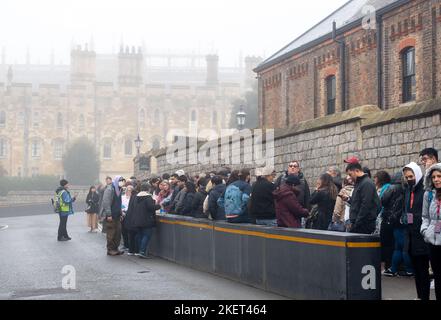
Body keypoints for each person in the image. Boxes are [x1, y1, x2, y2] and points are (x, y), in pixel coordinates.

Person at [396, 162, 430, 300]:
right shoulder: (408, 190)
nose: (409, 179)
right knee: (416, 270)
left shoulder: (424, 190)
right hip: (410, 235)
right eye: (407, 177)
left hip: (421, 235)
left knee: (423, 271)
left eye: (411, 176)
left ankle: (424, 296)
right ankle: (419, 296)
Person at [421, 163, 441, 300]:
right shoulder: (428, 194)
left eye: (439, 176)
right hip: (433, 241)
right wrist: (425, 230)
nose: (436, 179)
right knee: (438, 276)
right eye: (433, 177)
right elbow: (425, 216)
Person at [345, 162, 381, 234]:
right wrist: (348, 199)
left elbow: (365, 205)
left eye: (350, 174)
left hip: (363, 225)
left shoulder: (367, 183)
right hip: (358, 224)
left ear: (357, 171)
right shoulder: (359, 183)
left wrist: (357, 223)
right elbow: (357, 202)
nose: (349, 177)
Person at [131, 182, 161, 259]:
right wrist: (159, 206)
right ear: (148, 189)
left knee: (140, 235)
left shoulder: (136, 197)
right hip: (147, 220)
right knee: (147, 235)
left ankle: (140, 250)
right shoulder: (148, 197)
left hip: (138, 220)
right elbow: (151, 207)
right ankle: (142, 251)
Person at [373, 171, 395, 271]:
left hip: (383, 218)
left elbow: (381, 202)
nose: (374, 179)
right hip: (381, 217)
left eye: (376, 177)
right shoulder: (383, 187)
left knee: (384, 243)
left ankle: (385, 265)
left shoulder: (385, 188)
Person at [102, 176, 125, 256]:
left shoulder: (119, 189)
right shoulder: (110, 189)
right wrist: (108, 214)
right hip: (111, 215)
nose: (122, 182)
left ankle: (116, 248)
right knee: (111, 233)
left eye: (123, 181)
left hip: (117, 215)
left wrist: (120, 211)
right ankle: (110, 249)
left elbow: (119, 202)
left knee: (118, 233)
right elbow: (106, 202)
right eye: (120, 181)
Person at [121, 185, 134, 251]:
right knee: (123, 231)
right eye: (127, 190)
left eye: (130, 190)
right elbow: (120, 205)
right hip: (123, 214)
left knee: (129, 231)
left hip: (130, 215)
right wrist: (122, 212)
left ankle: (129, 245)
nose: (128, 191)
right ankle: (125, 245)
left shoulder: (133, 198)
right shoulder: (122, 197)